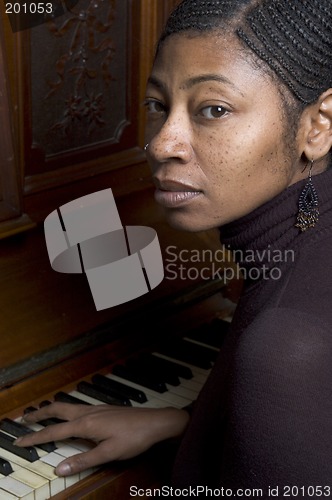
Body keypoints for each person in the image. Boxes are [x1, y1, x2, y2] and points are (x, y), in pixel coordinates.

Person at [16, 0, 332, 494]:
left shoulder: (289, 343)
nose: (163, 143)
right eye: (157, 106)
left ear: (319, 124)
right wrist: (188, 424)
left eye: (213, 109)